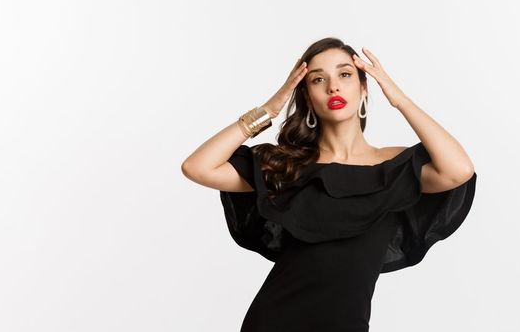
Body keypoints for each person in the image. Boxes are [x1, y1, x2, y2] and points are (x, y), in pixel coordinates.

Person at [181, 37, 478, 332]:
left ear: (364, 87)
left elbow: (458, 170)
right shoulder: (287, 167)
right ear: (307, 97)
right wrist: (269, 110)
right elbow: (197, 167)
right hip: (274, 321)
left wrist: (399, 100)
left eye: (345, 74)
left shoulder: (395, 168)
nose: (333, 87)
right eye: (317, 79)